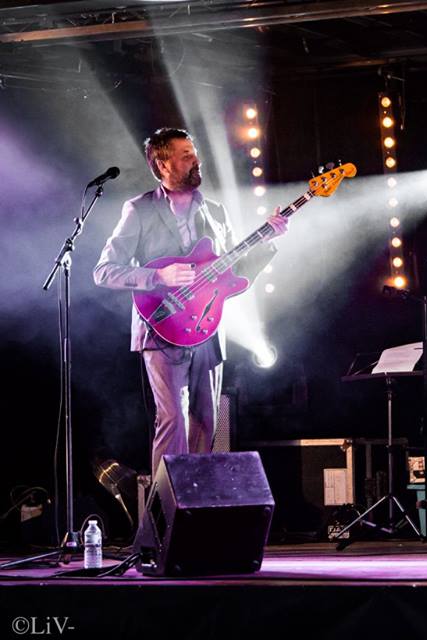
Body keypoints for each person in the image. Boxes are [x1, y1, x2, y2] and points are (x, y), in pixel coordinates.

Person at [94, 127, 287, 477]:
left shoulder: (215, 212)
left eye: (194, 153)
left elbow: (232, 277)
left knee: (206, 422)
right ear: (162, 164)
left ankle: (195, 506)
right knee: (173, 420)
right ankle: (164, 517)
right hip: (161, 327)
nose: (196, 160)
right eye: (185, 155)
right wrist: (158, 277)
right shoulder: (139, 209)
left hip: (206, 329)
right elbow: (104, 271)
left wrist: (267, 240)